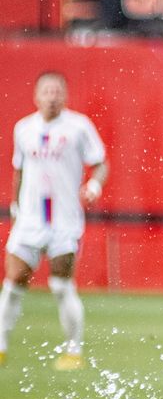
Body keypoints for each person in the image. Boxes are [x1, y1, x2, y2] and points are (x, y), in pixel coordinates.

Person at [0, 72, 109, 370]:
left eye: (57, 91)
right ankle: (1, 345)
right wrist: (15, 204)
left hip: (64, 220)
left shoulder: (78, 127)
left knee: (62, 285)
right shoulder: (23, 128)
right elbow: (18, 170)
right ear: (36, 96)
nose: (52, 96)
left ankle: (73, 351)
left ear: (65, 95)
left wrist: (94, 186)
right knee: (12, 283)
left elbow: (100, 163)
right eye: (46, 91)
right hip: (29, 220)